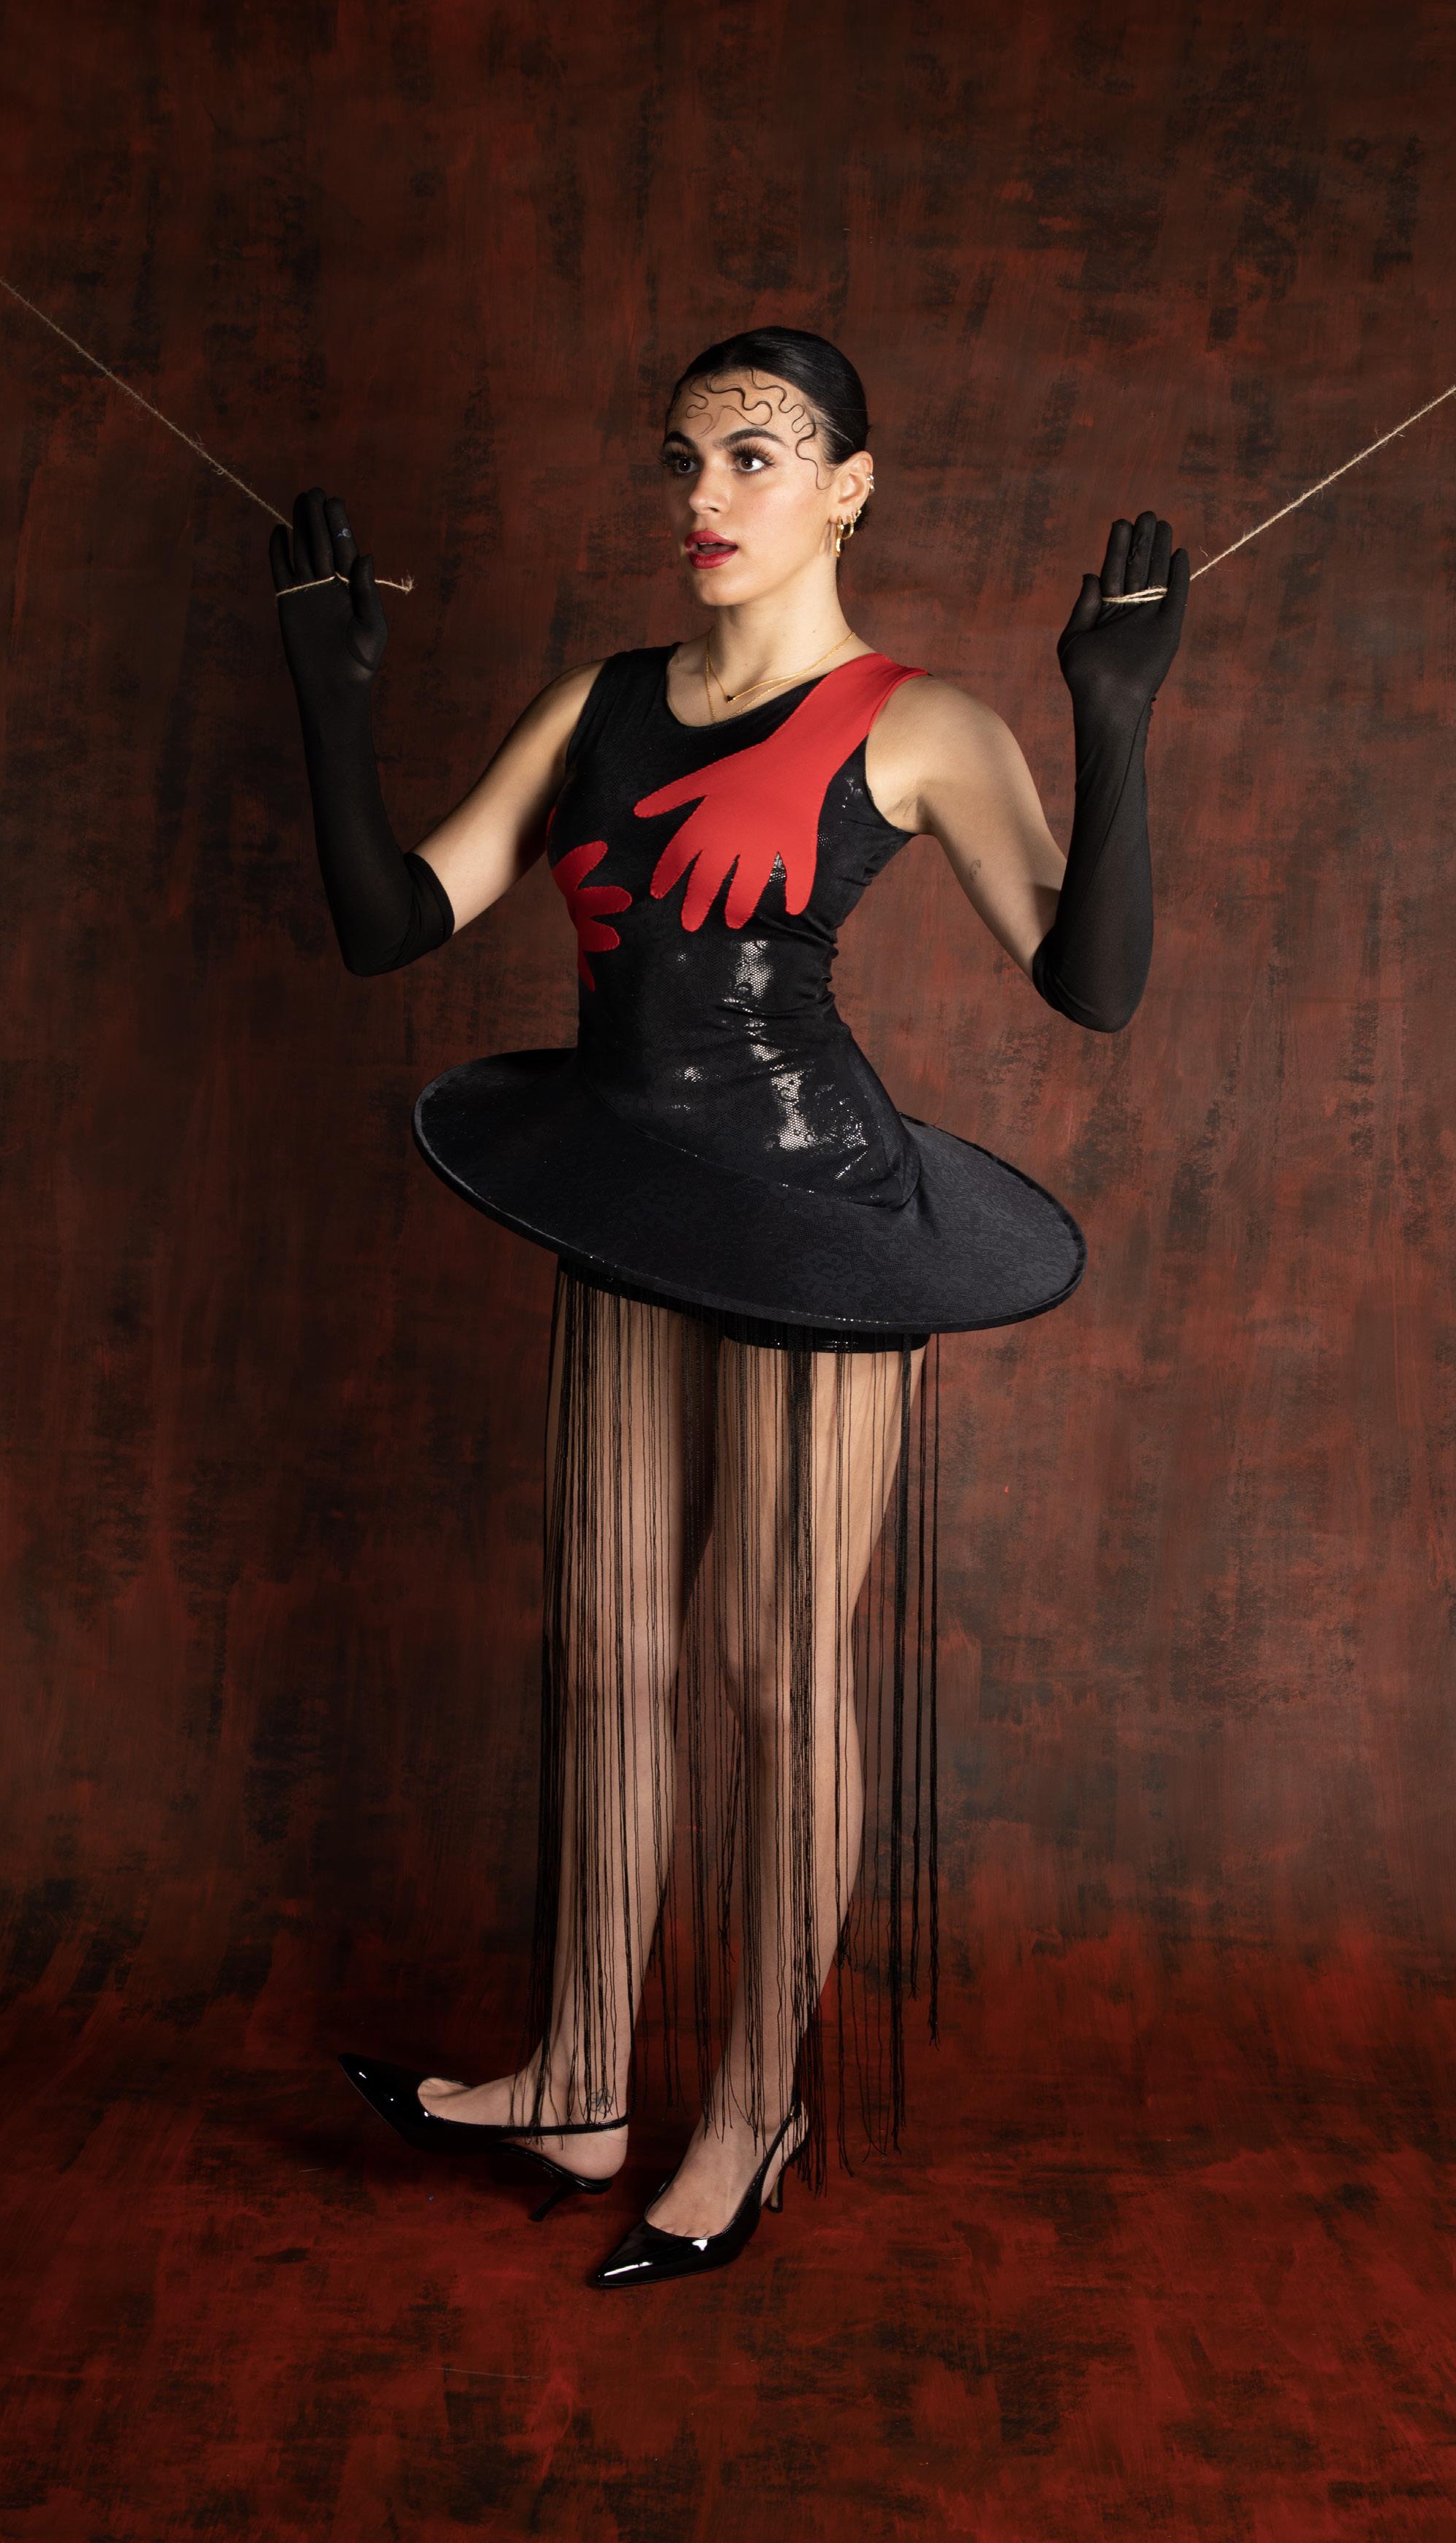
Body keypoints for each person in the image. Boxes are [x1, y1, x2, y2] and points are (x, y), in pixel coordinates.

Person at [272, 325, 1187, 2289]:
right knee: (610, 1651)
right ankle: (579, 2077)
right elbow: (392, 923)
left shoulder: (918, 722)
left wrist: (1112, 720)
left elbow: (1092, 986)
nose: (706, 493)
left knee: (774, 1671)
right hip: (623, 1189)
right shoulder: (598, 701)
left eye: (755, 456)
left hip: (816, 1220)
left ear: (849, 487)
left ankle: (756, 2101)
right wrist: (333, 704)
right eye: (684, 457)